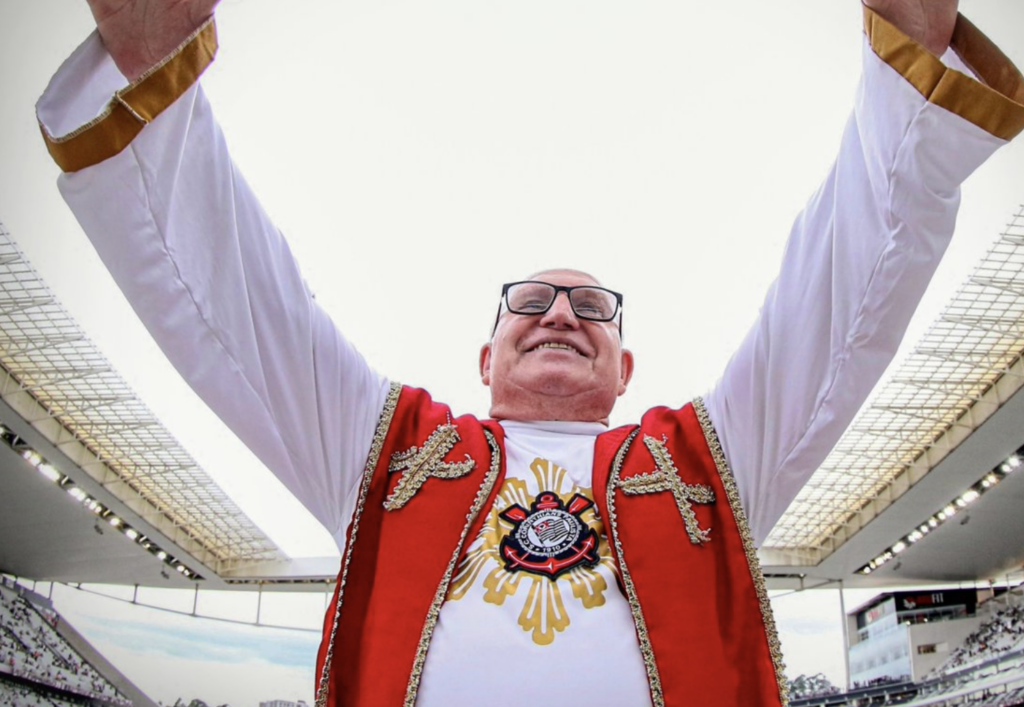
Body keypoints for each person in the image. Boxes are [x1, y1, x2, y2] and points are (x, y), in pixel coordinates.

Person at [35, 1, 1024, 705]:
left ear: (624, 370)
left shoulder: (704, 465)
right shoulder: (387, 455)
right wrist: (157, 87)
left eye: (591, 304)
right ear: (485, 355)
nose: (560, 311)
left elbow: (842, 300)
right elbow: (239, 311)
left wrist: (909, 56)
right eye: (532, 301)